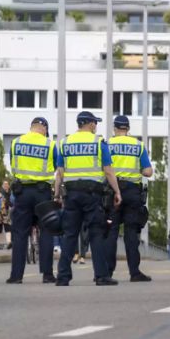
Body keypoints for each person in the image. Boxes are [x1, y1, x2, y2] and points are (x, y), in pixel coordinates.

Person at [54, 111, 123, 286]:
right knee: (96, 234)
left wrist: (57, 194)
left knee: (70, 234)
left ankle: (62, 277)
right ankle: (101, 275)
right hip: (92, 195)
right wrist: (117, 192)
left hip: (71, 195)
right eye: (95, 123)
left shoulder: (64, 143)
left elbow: (59, 173)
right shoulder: (98, 142)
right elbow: (108, 170)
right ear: (90, 124)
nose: (96, 126)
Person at [6, 117, 56, 284]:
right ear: (44, 128)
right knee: (47, 231)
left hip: (22, 192)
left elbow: (13, 164)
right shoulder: (50, 144)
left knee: (20, 233)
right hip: (42, 193)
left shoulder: (16, 142)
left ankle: (16, 275)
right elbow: (55, 166)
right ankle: (47, 274)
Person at [104, 115, 153, 281]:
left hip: (112, 191)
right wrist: (133, 169)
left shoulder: (107, 144)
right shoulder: (138, 145)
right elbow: (148, 172)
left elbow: (103, 168)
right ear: (128, 128)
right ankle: (135, 272)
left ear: (115, 128)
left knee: (111, 231)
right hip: (133, 192)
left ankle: (107, 272)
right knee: (131, 233)